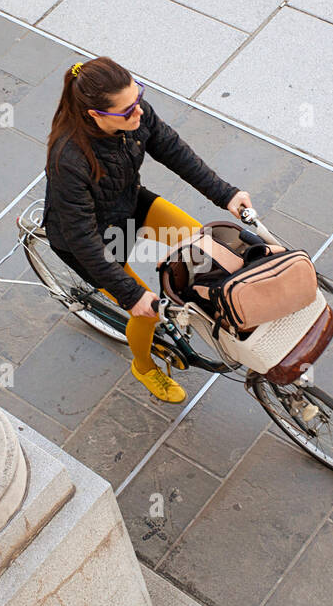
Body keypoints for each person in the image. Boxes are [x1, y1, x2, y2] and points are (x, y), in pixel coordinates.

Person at [41, 56, 252, 404]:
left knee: (209, 248)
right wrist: (131, 295)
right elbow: (82, 239)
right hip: (89, 240)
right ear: (95, 114)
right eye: (127, 111)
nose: (138, 112)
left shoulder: (135, 113)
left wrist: (226, 194)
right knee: (146, 314)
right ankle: (143, 365)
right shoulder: (68, 159)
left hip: (128, 203)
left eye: (138, 97)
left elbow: (175, 152)